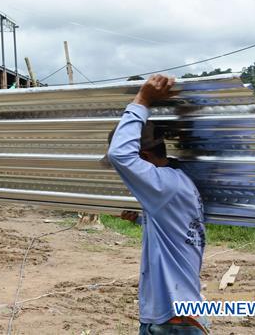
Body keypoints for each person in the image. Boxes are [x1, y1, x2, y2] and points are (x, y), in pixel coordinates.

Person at [106, 75, 209, 334]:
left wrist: (143, 100)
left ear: (144, 157)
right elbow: (176, 228)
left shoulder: (165, 185)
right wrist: (142, 218)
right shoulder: (176, 184)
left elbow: (119, 154)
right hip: (178, 317)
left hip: (172, 323)